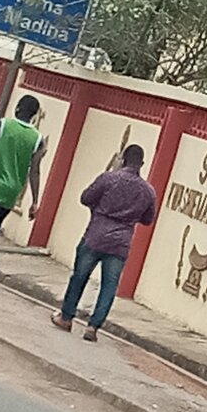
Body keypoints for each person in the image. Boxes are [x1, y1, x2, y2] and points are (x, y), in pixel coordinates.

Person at [51, 144, 156, 341]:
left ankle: (66, 317)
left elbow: (85, 197)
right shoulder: (148, 191)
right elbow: (148, 219)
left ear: (123, 159)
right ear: (142, 164)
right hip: (121, 242)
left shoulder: (108, 178)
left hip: (96, 235)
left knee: (79, 276)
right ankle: (93, 328)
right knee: (109, 285)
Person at [0, 94, 46, 292]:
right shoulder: (37, 139)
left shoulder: (2, 125)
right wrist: (35, 201)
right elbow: (35, 170)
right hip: (12, 192)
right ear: (34, 115)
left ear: (18, 108)